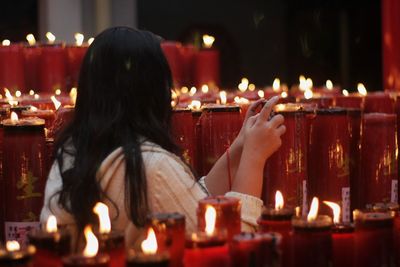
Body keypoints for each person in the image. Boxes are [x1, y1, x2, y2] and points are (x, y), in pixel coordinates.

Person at [40, 27, 286, 249]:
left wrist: (240, 147)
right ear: (151, 92)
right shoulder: (149, 167)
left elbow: (185, 198)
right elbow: (232, 245)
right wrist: (254, 157)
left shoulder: (73, 149)